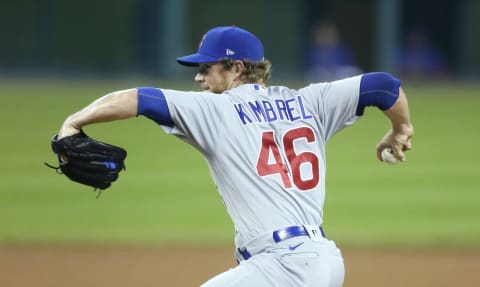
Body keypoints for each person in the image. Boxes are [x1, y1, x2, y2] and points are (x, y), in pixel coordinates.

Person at [57, 26, 414, 287]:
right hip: (323, 262)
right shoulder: (310, 102)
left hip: (285, 267)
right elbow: (384, 86)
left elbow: (138, 98)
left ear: (237, 68)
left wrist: (74, 121)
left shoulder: (217, 110)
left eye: (206, 67)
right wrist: (400, 129)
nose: (198, 77)